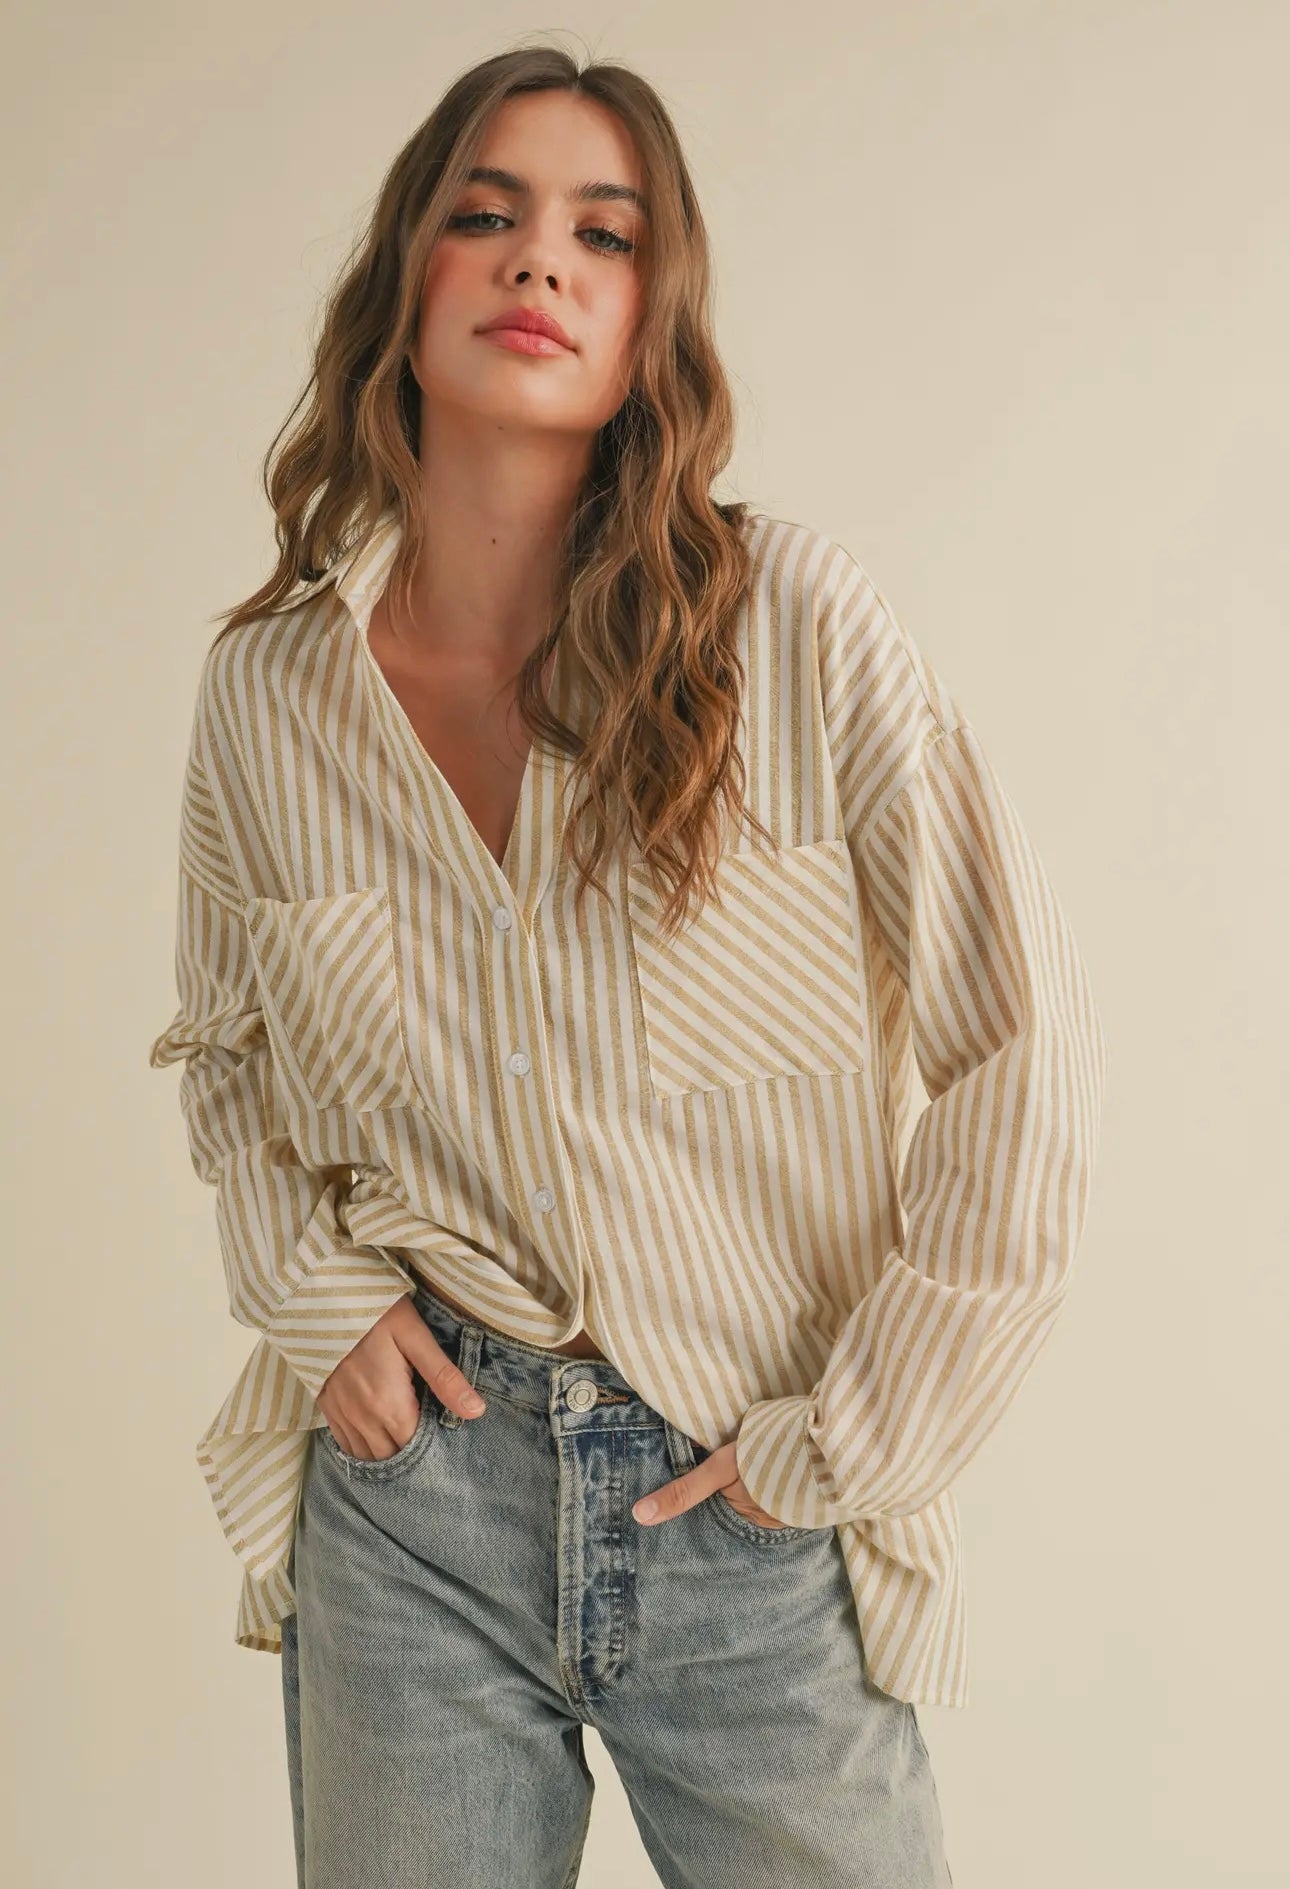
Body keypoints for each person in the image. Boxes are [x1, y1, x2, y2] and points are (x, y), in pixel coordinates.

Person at [148, 41, 1105, 1889]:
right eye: (485, 215)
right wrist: (313, 1295)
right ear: (404, 276)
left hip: (746, 1500)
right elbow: (228, 1054)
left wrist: (850, 1439)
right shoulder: (269, 694)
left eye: (604, 232)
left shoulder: (793, 627)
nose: (539, 258)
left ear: (653, 317)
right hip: (416, 1509)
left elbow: (1022, 1047)